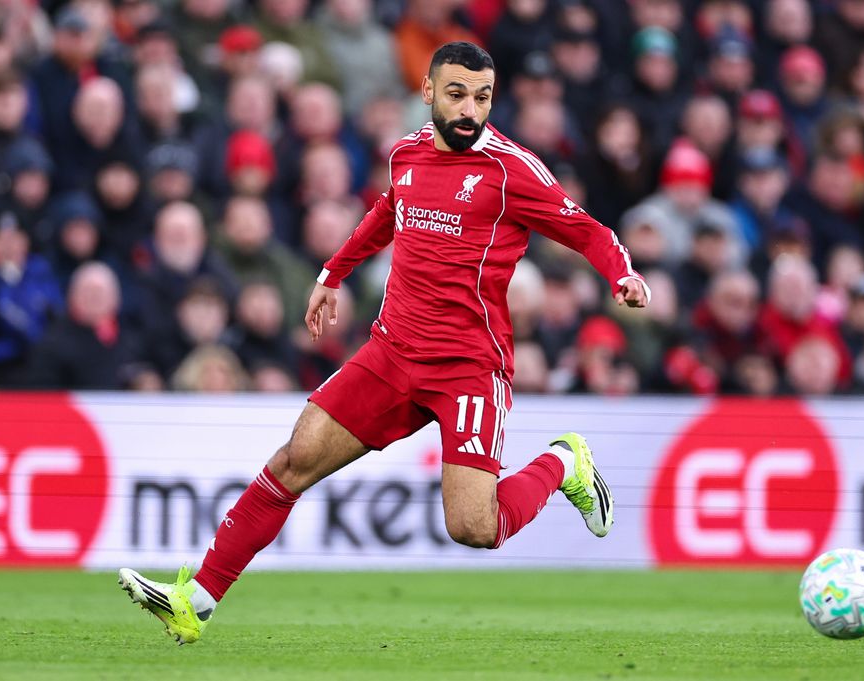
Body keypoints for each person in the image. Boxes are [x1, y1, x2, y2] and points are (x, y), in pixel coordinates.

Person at [118, 42, 649, 645]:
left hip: (467, 367)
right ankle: (196, 600)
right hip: (391, 353)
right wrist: (333, 273)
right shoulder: (405, 155)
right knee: (293, 461)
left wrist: (622, 274)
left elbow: (586, 229)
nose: (470, 110)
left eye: (482, 97)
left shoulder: (511, 170)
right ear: (427, 91)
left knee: (474, 527)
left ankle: (564, 462)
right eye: (457, 94)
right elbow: (386, 213)